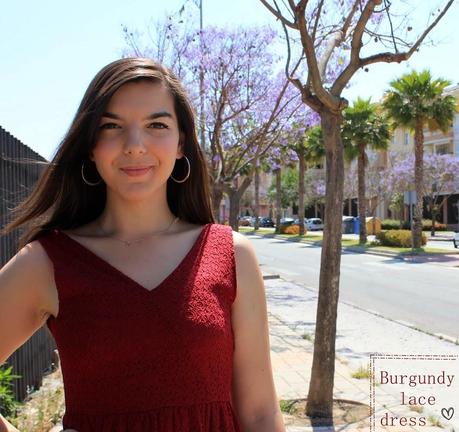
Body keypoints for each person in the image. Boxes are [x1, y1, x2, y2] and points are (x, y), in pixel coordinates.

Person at [0, 58, 285, 432]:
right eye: (112, 127)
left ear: (181, 142)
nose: (135, 145)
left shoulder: (231, 254)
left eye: (156, 125)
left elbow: (261, 413)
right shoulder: (48, 262)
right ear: (90, 146)